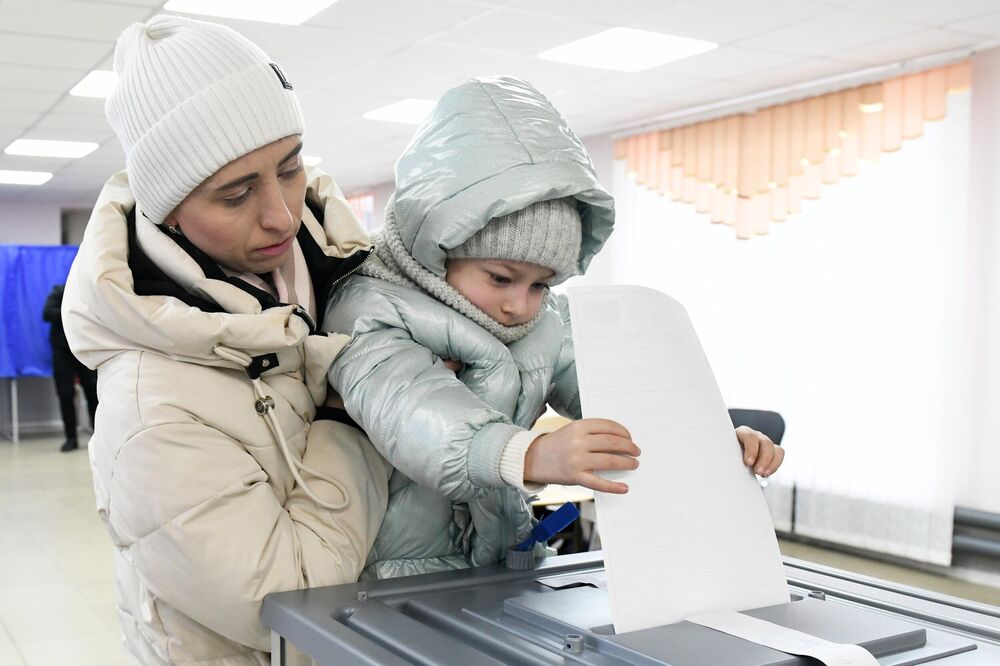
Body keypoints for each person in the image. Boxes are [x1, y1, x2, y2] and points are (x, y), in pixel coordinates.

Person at [324, 76, 784, 579]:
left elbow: (622, 395)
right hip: (393, 578)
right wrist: (531, 454)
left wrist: (711, 439)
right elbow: (412, 410)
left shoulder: (546, 322)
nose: (519, 305)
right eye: (501, 278)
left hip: (503, 565)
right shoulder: (370, 308)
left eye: (541, 284)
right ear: (438, 247)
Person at [61, 15, 390, 665]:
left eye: (290, 168)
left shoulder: (359, 278)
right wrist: (355, 412)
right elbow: (291, 606)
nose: (281, 215)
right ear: (169, 210)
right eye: (236, 194)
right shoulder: (151, 409)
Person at [42, 282, 98, 452]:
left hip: (85, 348)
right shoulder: (59, 290)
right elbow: (46, 314)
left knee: (93, 393)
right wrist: (71, 311)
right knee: (65, 394)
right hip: (62, 351)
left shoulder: (87, 292)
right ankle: (71, 438)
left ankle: (98, 435)